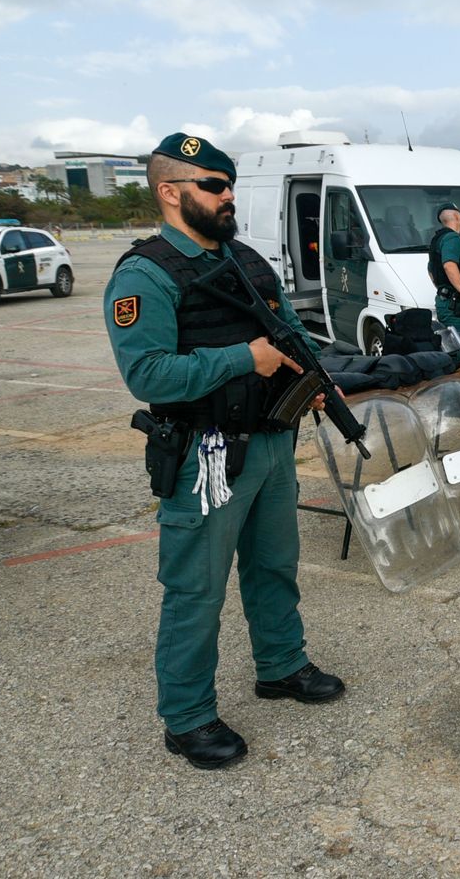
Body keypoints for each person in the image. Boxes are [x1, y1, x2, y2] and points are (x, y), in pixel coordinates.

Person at [104, 133, 344, 771]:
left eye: (229, 184)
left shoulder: (244, 258)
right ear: (170, 192)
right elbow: (148, 374)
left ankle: (281, 665)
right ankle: (187, 718)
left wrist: (312, 380)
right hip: (204, 457)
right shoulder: (145, 274)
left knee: (274, 566)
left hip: (270, 441)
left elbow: (285, 332)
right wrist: (243, 358)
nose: (227, 195)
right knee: (196, 590)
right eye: (213, 186)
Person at [428, 203, 460, 334]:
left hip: (446, 301)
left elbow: (431, 270)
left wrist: (443, 288)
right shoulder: (453, 238)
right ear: (457, 217)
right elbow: (449, 265)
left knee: (449, 341)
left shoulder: (437, 239)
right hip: (455, 305)